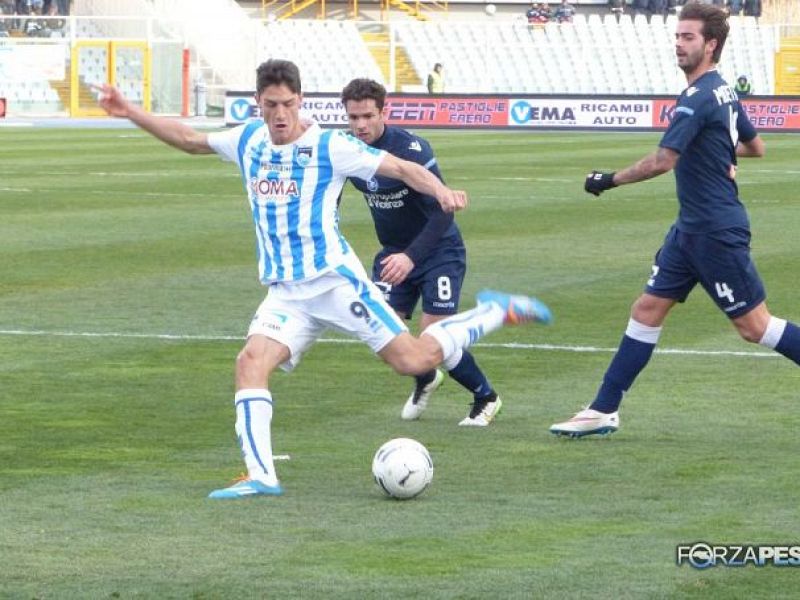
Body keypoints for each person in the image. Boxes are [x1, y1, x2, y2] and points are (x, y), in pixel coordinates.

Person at [96, 59, 553, 498]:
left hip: (336, 284)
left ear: (300, 101)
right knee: (249, 364)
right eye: (271, 104)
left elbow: (400, 168)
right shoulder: (248, 140)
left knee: (414, 360)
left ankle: (493, 311)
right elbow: (191, 139)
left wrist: (440, 189)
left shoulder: (330, 146)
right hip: (286, 294)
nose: (280, 114)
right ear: (258, 103)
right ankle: (261, 477)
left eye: (288, 104)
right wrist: (130, 111)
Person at [550, 2, 800, 438]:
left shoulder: (699, 97)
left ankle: (603, 407)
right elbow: (754, 146)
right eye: (677, 37)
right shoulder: (723, 90)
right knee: (647, 309)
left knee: (755, 327)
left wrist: (607, 180)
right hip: (690, 230)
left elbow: (663, 160)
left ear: (711, 44)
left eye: (688, 38)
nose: (679, 45)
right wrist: (720, 152)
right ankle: (603, 409)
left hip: (715, 231)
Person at [341, 78, 502, 427]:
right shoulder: (346, 150)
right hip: (392, 255)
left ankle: (486, 396)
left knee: (434, 340)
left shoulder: (411, 149)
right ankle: (426, 377)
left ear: (384, 112)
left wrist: (411, 257)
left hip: (437, 251)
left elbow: (443, 211)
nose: (360, 125)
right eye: (353, 117)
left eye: (367, 116)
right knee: (385, 338)